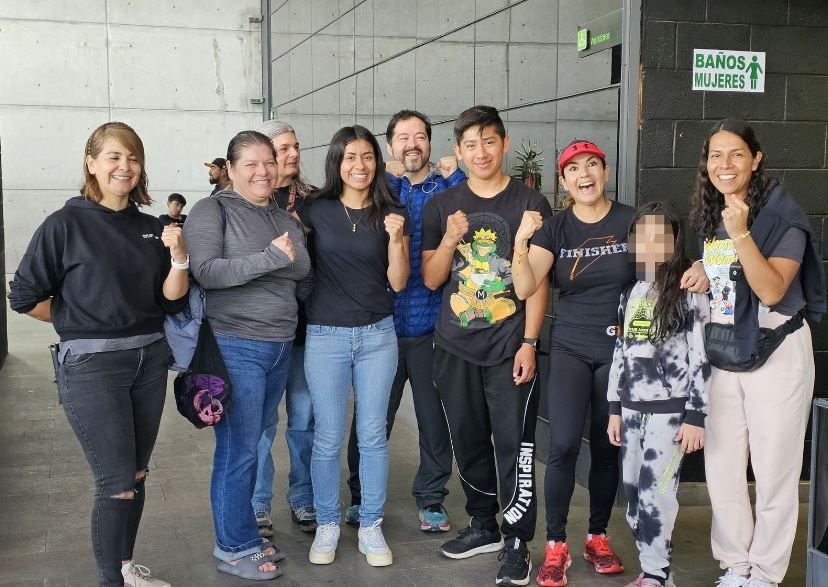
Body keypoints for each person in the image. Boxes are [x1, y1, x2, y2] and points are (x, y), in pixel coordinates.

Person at [9, 121, 189, 587]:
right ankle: (111, 581)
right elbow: (23, 296)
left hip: (150, 361)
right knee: (116, 484)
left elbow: (171, 299)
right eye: (112, 156)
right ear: (91, 163)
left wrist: (179, 257)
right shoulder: (64, 224)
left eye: (132, 157)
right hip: (92, 369)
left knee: (137, 472)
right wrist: (78, 322)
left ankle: (127, 568)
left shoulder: (154, 228)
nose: (123, 166)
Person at [689, 119, 825, 587]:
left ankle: (765, 572)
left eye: (736, 155)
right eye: (715, 156)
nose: (724, 165)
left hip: (777, 348)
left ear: (757, 159)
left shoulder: (782, 216)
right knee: (722, 466)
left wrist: (741, 235)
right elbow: (729, 272)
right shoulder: (717, 212)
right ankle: (736, 564)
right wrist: (705, 265)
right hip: (726, 347)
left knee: (774, 470)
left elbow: (769, 290)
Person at [421, 105, 553, 587]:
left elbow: (537, 283)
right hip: (454, 344)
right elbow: (433, 279)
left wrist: (530, 343)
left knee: (514, 446)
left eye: (489, 142)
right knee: (468, 438)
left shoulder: (531, 203)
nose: (481, 152)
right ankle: (482, 525)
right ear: (457, 151)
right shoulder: (442, 206)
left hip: (507, 346)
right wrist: (451, 239)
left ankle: (517, 539)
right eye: (470, 145)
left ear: (505, 143)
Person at [185, 131, 312, 581]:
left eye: (269, 163)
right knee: (238, 449)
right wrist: (271, 259)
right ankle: (233, 545)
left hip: (280, 346)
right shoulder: (212, 210)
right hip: (235, 343)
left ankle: (242, 536)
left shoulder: (282, 216)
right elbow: (206, 272)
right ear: (233, 168)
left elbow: (304, 271)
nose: (263, 171)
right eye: (252, 164)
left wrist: (282, 261)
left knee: (254, 443)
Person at [511, 139, 633, 586]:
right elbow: (525, 286)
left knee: (606, 448)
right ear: (563, 180)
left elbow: (659, 276)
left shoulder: (632, 220)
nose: (585, 174)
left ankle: (597, 536)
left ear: (605, 171)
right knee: (562, 445)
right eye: (574, 169)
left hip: (620, 351)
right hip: (570, 347)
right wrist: (522, 241)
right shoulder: (557, 228)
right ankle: (556, 544)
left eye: (593, 165)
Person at [344, 109, 465, 532]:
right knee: (372, 418)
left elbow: (472, 212)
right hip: (381, 327)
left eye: (419, 136)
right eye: (402, 137)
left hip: (433, 325)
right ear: (390, 145)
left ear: (430, 142)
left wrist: (453, 174)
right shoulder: (381, 187)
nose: (411, 144)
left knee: (434, 420)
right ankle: (359, 495)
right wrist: (389, 176)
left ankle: (432, 499)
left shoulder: (450, 187)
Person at [297, 125, 409, 568]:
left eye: (367, 157)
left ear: (376, 162)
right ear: (337, 162)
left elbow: (398, 282)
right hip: (325, 337)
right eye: (350, 157)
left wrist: (397, 239)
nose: (359, 165)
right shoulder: (315, 210)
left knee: (373, 437)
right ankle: (327, 522)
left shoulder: (392, 211)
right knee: (326, 437)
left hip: (379, 336)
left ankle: (371, 524)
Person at [606, 202, 711, 587]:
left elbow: (701, 357)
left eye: (659, 235)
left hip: (670, 415)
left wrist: (696, 415)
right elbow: (621, 352)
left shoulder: (687, 291)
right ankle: (652, 564)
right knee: (633, 497)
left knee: (657, 494)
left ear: (674, 240)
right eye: (641, 235)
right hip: (631, 411)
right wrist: (615, 408)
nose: (649, 243)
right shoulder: (630, 293)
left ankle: (656, 572)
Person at [251, 119, 318, 536]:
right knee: (258, 424)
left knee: (305, 418)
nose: (291, 154)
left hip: (307, 327)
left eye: (295, 146)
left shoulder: (315, 200)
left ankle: (303, 496)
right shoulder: (242, 202)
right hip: (259, 330)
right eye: (282, 148)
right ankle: (258, 504)